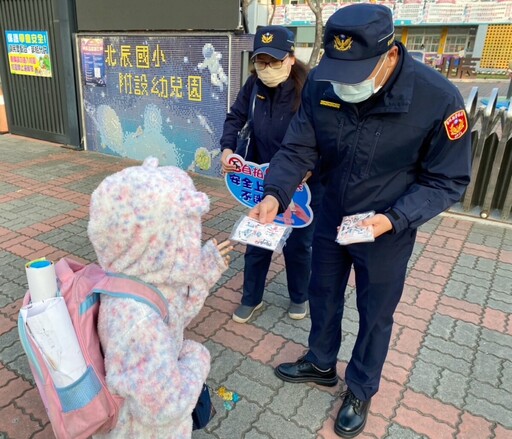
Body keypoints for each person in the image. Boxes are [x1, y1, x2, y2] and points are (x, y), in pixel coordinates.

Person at [249, 4, 471, 438]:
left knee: (375, 311)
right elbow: (299, 147)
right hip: (332, 211)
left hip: (387, 224)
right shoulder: (321, 83)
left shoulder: (437, 99)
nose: (345, 83)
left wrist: (394, 219)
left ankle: (361, 387)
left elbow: (448, 180)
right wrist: (276, 193)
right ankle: (320, 361)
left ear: (389, 56)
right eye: (339, 71)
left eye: (357, 73)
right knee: (323, 290)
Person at [88, 157, 233, 438]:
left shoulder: (129, 282)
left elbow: (172, 317)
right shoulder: (138, 324)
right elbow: (164, 408)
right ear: (156, 242)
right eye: (186, 231)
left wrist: (204, 270)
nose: (192, 238)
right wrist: (196, 359)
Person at [220, 25, 323, 323]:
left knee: (300, 244)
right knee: (257, 238)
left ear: (291, 58)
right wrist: (228, 149)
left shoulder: (310, 90)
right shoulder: (253, 87)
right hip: (262, 179)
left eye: (274, 62)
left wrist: (309, 169)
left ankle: (299, 296)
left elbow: (325, 138)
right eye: (261, 62)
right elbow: (234, 117)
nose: (266, 69)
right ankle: (252, 298)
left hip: (302, 184)